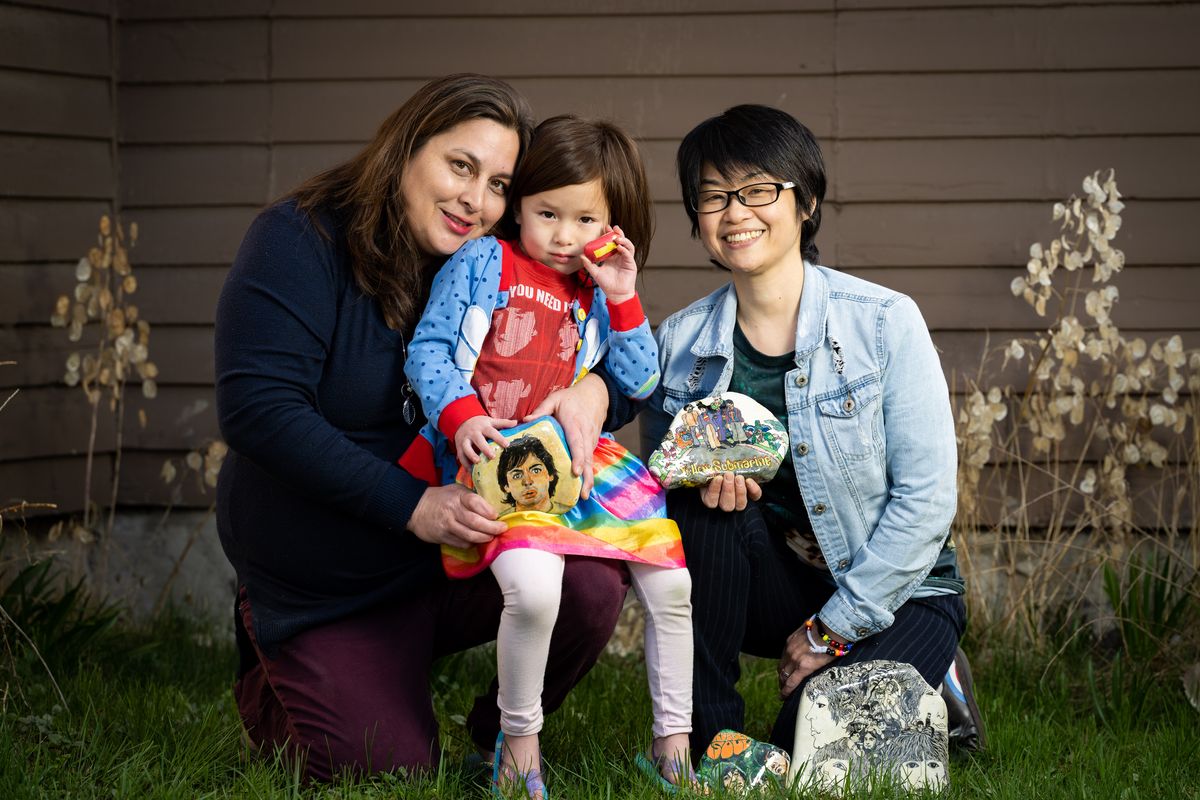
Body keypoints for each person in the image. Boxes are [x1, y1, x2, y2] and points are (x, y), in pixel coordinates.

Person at [214, 74, 639, 782]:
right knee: (391, 771)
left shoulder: (498, 260)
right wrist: (412, 505)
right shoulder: (299, 239)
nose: (476, 200)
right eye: (460, 166)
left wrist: (595, 390)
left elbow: (606, 359)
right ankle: (284, 668)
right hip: (326, 575)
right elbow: (260, 411)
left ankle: (497, 733)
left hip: (452, 548)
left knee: (592, 583)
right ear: (407, 146)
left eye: (500, 183)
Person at [639, 104, 967, 761]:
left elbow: (927, 500)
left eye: (759, 190)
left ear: (806, 200)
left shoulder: (883, 323)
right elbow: (655, 510)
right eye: (713, 196)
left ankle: (947, 692)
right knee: (693, 511)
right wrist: (700, 489)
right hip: (773, 585)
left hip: (898, 592)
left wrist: (830, 632)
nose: (736, 213)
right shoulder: (677, 344)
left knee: (815, 748)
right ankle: (712, 741)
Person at [400, 115, 695, 798]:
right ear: (521, 206)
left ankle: (672, 746)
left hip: (584, 463)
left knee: (672, 585)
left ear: (613, 222)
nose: (564, 236)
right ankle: (517, 744)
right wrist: (464, 415)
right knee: (535, 590)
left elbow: (641, 382)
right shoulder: (485, 263)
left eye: (585, 218)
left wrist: (622, 296)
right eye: (547, 213)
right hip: (501, 461)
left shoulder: (598, 285)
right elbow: (429, 350)